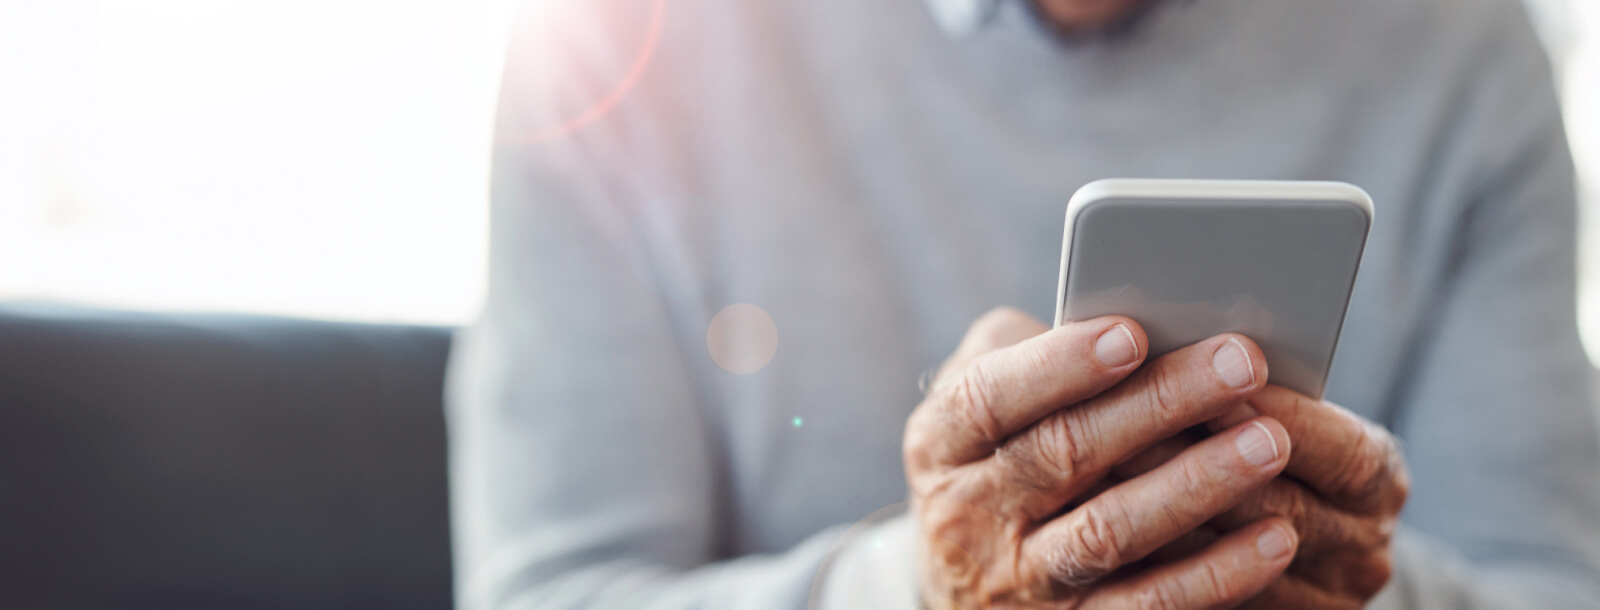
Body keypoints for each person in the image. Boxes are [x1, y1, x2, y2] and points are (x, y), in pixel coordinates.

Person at [446, 0, 1600, 607]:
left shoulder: (1463, 50)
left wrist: (1327, 583)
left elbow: (1548, 588)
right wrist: (914, 591)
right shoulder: (613, 45)